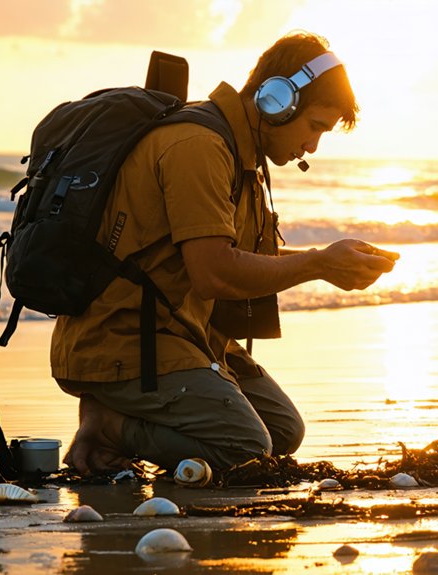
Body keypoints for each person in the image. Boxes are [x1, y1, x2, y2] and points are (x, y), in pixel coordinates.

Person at [52, 31, 399, 474]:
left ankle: (139, 421)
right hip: (126, 340)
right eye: (315, 126)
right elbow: (214, 273)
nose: (313, 146)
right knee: (246, 448)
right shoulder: (199, 146)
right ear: (277, 99)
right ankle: (109, 427)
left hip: (182, 334)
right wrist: (317, 263)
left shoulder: (241, 153)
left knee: (283, 430)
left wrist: (330, 261)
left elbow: (233, 256)